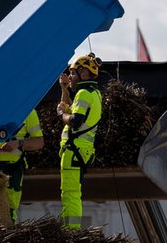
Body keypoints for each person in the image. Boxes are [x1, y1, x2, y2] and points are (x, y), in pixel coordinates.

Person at [58, 52, 104, 229]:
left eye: (73, 73)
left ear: (84, 73)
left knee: (70, 193)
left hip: (74, 151)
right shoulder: (92, 93)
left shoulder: (84, 93)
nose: (70, 76)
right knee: (72, 192)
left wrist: (62, 114)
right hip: (81, 151)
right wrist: (64, 89)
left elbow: (75, 121)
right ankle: (70, 230)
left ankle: (70, 231)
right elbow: (70, 107)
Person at [0, 106, 44, 223]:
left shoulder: (29, 112)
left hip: (14, 170)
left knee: (10, 209)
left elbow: (39, 142)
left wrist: (18, 143)